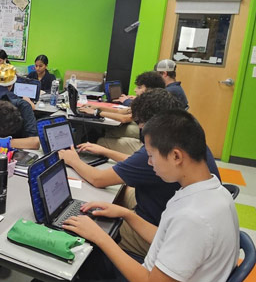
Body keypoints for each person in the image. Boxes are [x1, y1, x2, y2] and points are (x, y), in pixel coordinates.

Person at [27, 110, 239, 282]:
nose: (149, 162)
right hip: (165, 280)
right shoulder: (213, 191)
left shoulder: (193, 218)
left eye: (151, 155)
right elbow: (166, 237)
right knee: (92, 257)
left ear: (176, 156)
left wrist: (101, 237)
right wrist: (126, 214)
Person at [58, 89, 219, 257]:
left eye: (141, 127)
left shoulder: (163, 147)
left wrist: (73, 160)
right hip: (160, 216)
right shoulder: (186, 136)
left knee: (88, 226)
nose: (141, 132)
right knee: (121, 191)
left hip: (157, 231)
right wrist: (107, 152)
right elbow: (141, 162)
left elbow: (98, 179)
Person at [78, 71, 166, 155]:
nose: (135, 90)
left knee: (102, 141)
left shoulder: (148, 104)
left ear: (149, 90)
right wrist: (97, 107)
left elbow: (124, 118)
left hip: (149, 147)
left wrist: (96, 112)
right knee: (111, 131)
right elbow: (120, 111)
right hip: (152, 141)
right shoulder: (156, 100)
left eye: (139, 87)